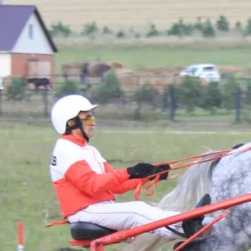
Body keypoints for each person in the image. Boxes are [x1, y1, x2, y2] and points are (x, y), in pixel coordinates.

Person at [49, 94, 199, 239]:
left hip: (98, 208)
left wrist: (149, 176)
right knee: (137, 211)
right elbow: (91, 185)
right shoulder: (66, 149)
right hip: (84, 211)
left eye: (92, 118)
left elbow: (117, 186)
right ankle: (189, 227)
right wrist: (130, 172)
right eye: (88, 119)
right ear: (71, 123)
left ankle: (198, 222)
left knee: (142, 211)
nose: (93, 123)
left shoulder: (89, 150)